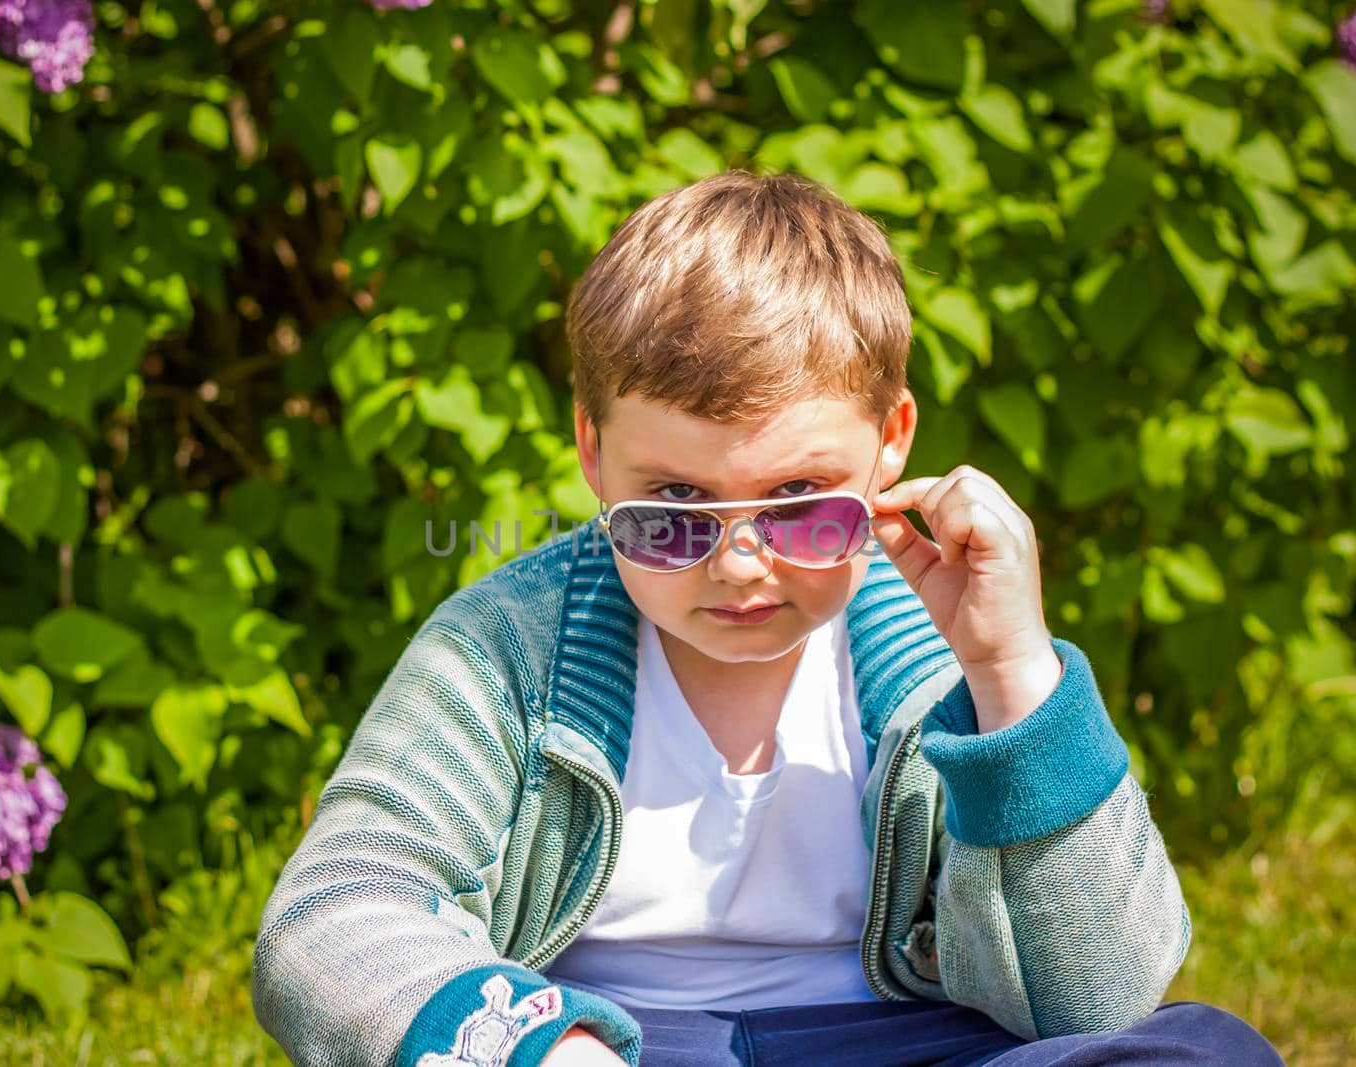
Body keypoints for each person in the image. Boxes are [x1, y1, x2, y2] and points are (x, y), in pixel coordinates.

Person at [251, 170, 1283, 1067]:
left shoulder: (942, 649)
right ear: (591, 451)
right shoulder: (507, 650)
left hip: (905, 1036)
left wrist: (1012, 674)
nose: (739, 561)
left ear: (891, 440)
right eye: (673, 508)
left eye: (798, 499)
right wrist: (534, 1043)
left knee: (1203, 1050)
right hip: (604, 1036)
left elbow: (1096, 997)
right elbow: (333, 912)